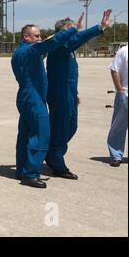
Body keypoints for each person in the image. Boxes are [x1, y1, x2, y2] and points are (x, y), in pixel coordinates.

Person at [11, 17, 82, 189]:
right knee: (41, 134)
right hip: (33, 96)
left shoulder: (21, 52)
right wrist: (73, 30)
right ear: (26, 37)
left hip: (27, 95)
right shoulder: (29, 51)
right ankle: (31, 174)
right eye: (36, 36)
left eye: (40, 35)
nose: (39, 38)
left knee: (25, 134)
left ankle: (22, 169)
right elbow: (52, 42)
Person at [46, 10, 112, 178]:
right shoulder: (59, 45)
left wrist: (74, 93)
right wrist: (99, 27)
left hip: (68, 94)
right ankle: (57, 162)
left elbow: (70, 74)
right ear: (63, 31)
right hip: (60, 95)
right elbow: (78, 39)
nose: (74, 32)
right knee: (61, 128)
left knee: (72, 126)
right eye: (71, 29)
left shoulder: (68, 48)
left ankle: (52, 151)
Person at [107, 45, 128, 167]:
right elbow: (114, 70)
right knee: (119, 126)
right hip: (125, 94)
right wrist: (120, 90)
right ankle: (116, 155)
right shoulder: (124, 51)